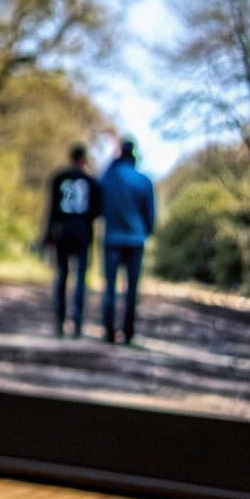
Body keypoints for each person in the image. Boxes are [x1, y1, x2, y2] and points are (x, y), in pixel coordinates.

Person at [100, 138, 156, 345]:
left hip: (112, 238)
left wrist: (113, 162)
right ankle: (128, 332)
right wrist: (146, 232)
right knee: (132, 289)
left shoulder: (109, 177)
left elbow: (99, 199)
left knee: (110, 287)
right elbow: (150, 215)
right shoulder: (144, 180)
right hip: (135, 239)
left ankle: (109, 331)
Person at [40, 144, 101, 337]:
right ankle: (77, 324)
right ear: (83, 159)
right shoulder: (91, 181)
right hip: (83, 233)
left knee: (62, 275)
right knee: (80, 278)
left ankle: (60, 322)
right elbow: (98, 210)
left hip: (63, 232)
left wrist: (48, 235)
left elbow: (52, 209)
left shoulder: (60, 177)